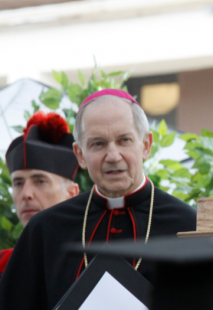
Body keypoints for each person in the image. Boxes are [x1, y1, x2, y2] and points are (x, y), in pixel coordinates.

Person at [0, 89, 197, 310]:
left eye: (124, 140)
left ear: (146, 145)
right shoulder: (44, 229)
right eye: (98, 144)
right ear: (81, 155)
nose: (113, 156)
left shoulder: (189, 226)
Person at [0, 112, 80, 278]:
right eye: (18, 183)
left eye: (40, 181)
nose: (26, 194)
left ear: (71, 194)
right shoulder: (3, 265)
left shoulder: (88, 263)